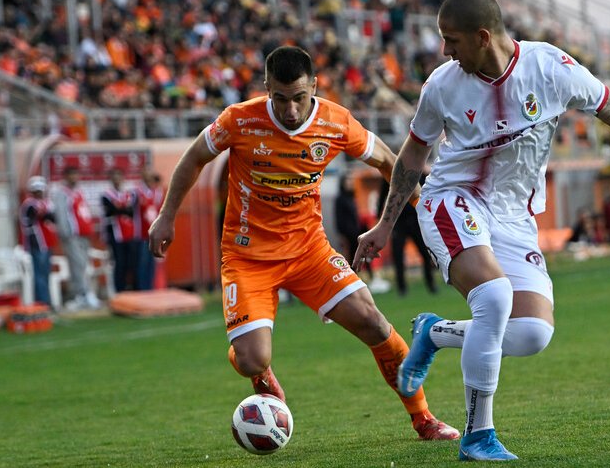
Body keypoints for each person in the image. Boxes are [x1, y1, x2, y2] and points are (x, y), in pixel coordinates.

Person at [354, 0, 610, 461]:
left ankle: (434, 333)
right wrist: (386, 225)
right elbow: (414, 154)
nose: (444, 51)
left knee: (532, 334)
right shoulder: (441, 85)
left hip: (515, 216)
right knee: (493, 298)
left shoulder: (551, 69)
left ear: (482, 37)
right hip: (452, 200)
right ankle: (479, 436)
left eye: (451, 40)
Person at [147, 46, 458, 441]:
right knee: (250, 358)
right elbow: (193, 158)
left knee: (375, 323)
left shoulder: (335, 121)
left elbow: (385, 159)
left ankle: (424, 419)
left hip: (309, 251)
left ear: (314, 86)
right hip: (248, 257)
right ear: (266, 89)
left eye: (299, 98)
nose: (291, 110)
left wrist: (419, 204)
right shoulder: (239, 120)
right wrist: (167, 215)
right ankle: (259, 372)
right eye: (280, 98)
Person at [51, 167, 102, 310]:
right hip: (72, 235)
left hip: (84, 233)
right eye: (71, 175)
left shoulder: (78, 191)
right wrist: (65, 233)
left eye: (76, 175)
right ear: (66, 176)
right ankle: (81, 294)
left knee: (83, 265)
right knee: (77, 265)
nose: (74, 178)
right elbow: (60, 214)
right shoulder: (62, 193)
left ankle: (84, 293)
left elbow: (83, 210)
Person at [377, 179, 438, 297]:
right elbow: (382, 197)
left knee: (426, 253)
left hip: (416, 220)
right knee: (398, 256)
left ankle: (431, 283)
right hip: (398, 222)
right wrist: (381, 222)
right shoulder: (390, 176)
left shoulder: (417, 172)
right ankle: (402, 288)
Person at [19, 176, 58, 307]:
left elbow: (53, 217)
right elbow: (42, 215)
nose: (39, 193)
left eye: (40, 190)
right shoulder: (29, 204)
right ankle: (42, 302)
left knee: (46, 272)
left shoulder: (46, 202)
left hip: (47, 242)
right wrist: (47, 215)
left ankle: (47, 300)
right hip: (36, 242)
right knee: (39, 273)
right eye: (36, 190)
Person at [101, 168, 139, 292]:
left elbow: (132, 211)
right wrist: (123, 209)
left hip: (129, 232)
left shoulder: (129, 193)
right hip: (115, 234)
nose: (117, 180)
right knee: (119, 262)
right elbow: (111, 210)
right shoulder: (106, 195)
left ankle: (132, 288)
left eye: (119, 177)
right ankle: (119, 289)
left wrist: (121, 209)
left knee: (131, 262)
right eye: (114, 177)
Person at [135, 166, 165, 290]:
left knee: (152, 263)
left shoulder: (156, 192)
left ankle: (151, 288)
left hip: (153, 233)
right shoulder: (137, 191)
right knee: (142, 262)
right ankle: (143, 288)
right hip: (142, 233)